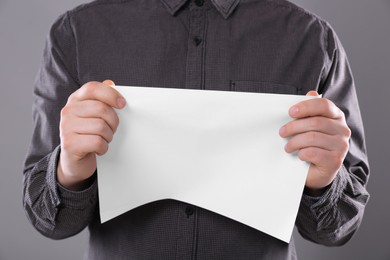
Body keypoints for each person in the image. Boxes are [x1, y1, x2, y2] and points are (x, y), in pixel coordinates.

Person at [23, 0, 370, 259]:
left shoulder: (313, 40)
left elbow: (336, 230)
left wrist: (325, 180)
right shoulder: (77, 33)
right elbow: (47, 220)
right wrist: (69, 169)